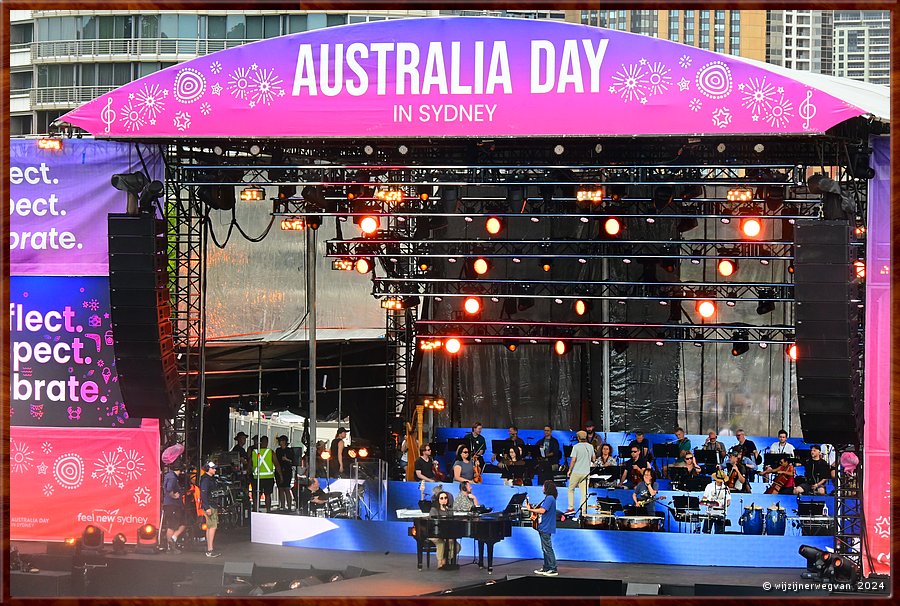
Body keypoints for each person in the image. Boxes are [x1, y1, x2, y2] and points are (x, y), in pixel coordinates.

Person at [525, 480, 558, 576]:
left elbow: (543, 510)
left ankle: (553, 568)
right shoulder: (549, 498)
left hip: (546, 526)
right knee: (545, 548)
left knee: (547, 548)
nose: (542, 488)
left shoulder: (549, 498)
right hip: (544, 526)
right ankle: (546, 567)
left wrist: (530, 509)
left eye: (543, 486)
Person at [566, 431, 595, 515]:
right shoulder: (590, 447)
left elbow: (573, 460)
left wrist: (569, 470)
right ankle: (583, 512)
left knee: (571, 489)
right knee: (584, 493)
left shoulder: (576, 447)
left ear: (578, 438)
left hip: (576, 472)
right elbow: (593, 459)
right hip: (586, 473)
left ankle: (571, 508)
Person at [429, 491, 460, 569]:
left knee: (457, 546)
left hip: (446, 534)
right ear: (438, 500)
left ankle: (446, 559)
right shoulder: (434, 510)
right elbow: (433, 524)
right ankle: (441, 561)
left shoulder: (449, 511)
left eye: (445, 498)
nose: (444, 500)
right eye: (441, 498)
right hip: (434, 534)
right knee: (441, 543)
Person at [198, 462, 221, 557]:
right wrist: (207, 507)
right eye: (213, 468)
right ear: (208, 469)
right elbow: (203, 494)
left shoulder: (208, 479)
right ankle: (210, 549)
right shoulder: (206, 480)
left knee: (209, 526)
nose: (215, 470)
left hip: (211, 504)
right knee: (213, 526)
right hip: (210, 505)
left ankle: (209, 548)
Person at [162, 463, 187, 552]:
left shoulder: (169, 476)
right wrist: (173, 496)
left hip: (172, 505)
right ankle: (170, 545)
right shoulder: (172, 477)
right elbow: (169, 489)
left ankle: (172, 540)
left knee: (180, 523)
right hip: (172, 504)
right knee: (172, 525)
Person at [251, 435, 276, 512]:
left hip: (257, 477)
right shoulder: (270, 452)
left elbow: (250, 464)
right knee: (267, 495)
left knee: (256, 495)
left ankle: (256, 510)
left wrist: (248, 473)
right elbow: (277, 464)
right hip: (268, 477)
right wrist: (280, 475)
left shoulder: (255, 452)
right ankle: (268, 510)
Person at [274, 435, 294, 511]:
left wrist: (287, 459)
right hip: (279, 471)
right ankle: (282, 506)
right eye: (280, 441)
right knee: (280, 489)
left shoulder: (289, 450)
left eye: (282, 441)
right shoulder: (278, 450)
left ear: (285, 442)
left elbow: (292, 460)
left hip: (287, 471)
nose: (281, 442)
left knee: (286, 488)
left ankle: (289, 506)